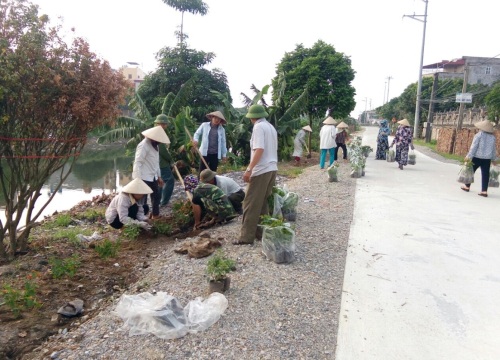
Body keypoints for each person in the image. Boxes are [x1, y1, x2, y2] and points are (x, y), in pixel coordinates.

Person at [235, 104, 278, 245]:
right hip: (272, 168)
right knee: (263, 203)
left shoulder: (258, 127)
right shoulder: (270, 126)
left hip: (261, 169)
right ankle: (261, 232)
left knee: (250, 203)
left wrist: (249, 169)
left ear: (252, 118)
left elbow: (259, 149)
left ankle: (246, 237)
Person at [132, 126, 170, 219]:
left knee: (156, 197)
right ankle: (141, 218)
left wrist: (159, 176)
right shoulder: (144, 145)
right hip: (143, 177)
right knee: (142, 200)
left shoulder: (156, 146)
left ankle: (155, 215)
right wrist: (138, 180)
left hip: (152, 176)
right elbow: (138, 162)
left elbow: (156, 163)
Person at [460, 120, 498, 197]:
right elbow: (494, 149)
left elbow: (473, 147)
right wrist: (494, 159)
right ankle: (484, 191)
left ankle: (467, 186)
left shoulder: (478, 135)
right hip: (487, 159)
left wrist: (468, 156)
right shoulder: (492, 138)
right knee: (485, 174)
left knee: (471, 171)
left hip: (476, 157)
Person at [154, 114, 175, 206]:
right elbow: (162, 150)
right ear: (160, 124)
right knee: (169, 180)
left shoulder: (155, 132)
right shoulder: (157, 134)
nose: (165, 126)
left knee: (161, 182)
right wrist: (171, 160)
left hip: (157, 162)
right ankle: (164, 202)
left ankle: (158, 201)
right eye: (164, 124)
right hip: (162, 163)